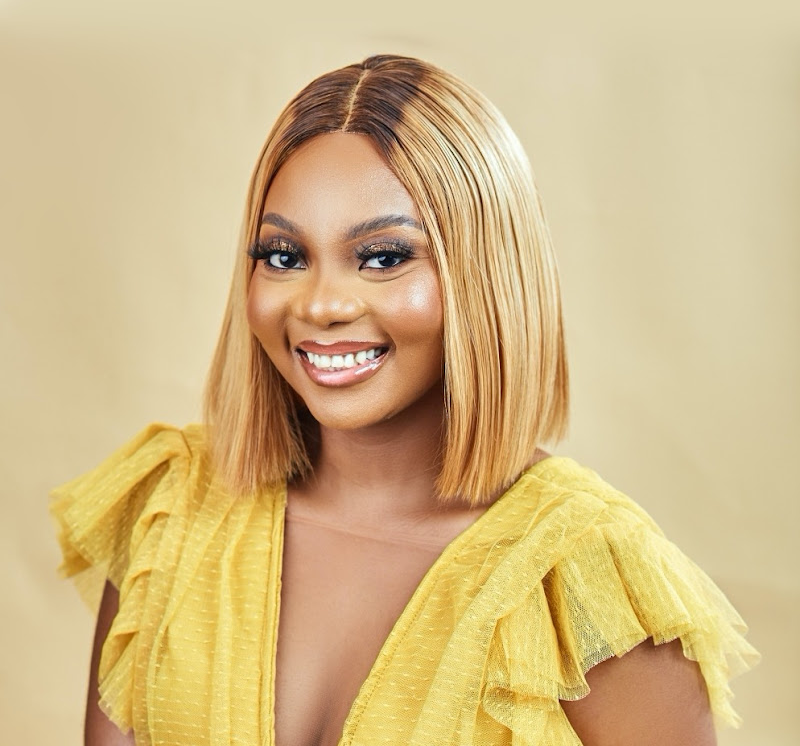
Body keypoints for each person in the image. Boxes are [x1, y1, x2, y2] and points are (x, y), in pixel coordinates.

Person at [51, 55, 758, 746]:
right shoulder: (169, 511)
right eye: (285, 257)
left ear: (485, 274)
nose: (321, 305)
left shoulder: (584, 578)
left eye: (384, 257)